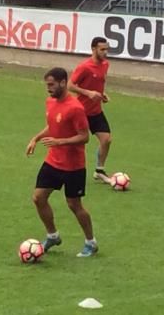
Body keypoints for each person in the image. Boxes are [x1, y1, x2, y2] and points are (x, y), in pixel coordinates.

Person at [27, 67, 98, 258]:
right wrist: (36, 138)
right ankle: (53, 236)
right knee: (38, 198)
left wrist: (60, 142)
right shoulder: (50, 102)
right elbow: (53, 126)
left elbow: (84, 137)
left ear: (63, 83)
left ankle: (91, 242)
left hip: (73, 165)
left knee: (74, 205)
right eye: (46, 85)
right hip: (53, 161)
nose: (48, 89)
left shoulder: (75, 108)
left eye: (51, 85)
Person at [68, 37, 112, 182]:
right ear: (93, 49)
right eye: (102, 49)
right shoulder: (84, 67)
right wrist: (88, 93)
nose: (105, 52)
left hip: (96, 111)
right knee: (75, 144)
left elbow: (97, 84)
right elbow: (70, 85)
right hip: (81, 111)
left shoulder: (106, 65)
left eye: (107, 49)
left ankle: (99, 170)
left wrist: (101, 94)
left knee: (106, 140)